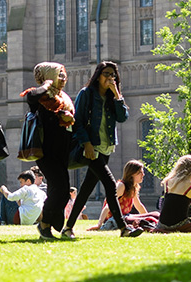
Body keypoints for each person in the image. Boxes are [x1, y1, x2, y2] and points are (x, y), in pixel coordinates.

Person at [61, 61, 143, 238]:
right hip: (92, 148)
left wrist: (117, 95)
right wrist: (87, 144)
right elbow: (78, 122)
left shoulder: (113, 97)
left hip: (106, 148)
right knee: (110, 184)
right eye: (107, 74)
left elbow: (122, 118)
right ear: (98, 76)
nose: (110, 77)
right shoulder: (86, 94)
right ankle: (123, 228)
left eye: (113, 75)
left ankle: (67, 228)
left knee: (86, 189)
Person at [20, 62, 75, 239]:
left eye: (63, 74)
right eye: (59, 74)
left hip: (62, 151)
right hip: (46, 152)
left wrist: (68, 118)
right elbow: (32, 97)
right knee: (61, 189)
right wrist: (47, 85)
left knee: (60, 190)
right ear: (48, 75)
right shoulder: (41, 97)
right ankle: (44, 224)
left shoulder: (63, 98)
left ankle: (48, 225)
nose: (63, 78)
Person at [87, 160, 160, 233]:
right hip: (115, 220)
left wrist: (147, 217)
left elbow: (139, 205)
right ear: (132, 174)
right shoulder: (121, 186)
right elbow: (108, 205)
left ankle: (152, 225)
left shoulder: (134, 187)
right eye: (140, 173)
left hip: (126, 216)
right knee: (141, 219)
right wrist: (99, 225)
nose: (143, 175)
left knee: (156, 214)